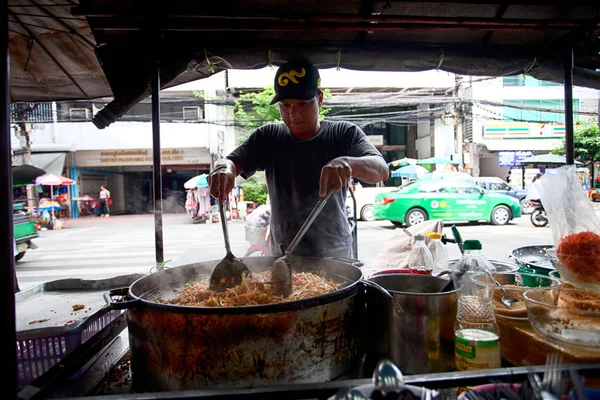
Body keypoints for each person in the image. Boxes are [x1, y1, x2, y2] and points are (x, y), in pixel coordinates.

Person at [208, 59, 389, 258]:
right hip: (283, 258)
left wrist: (349, 163)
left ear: (319, 99)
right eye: (285, 105)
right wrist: (223, 168)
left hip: (334, 256)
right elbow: (231, 163)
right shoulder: (268, 137)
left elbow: (381, 170)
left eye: (303, 104)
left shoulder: (343, 133)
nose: (293, 113)